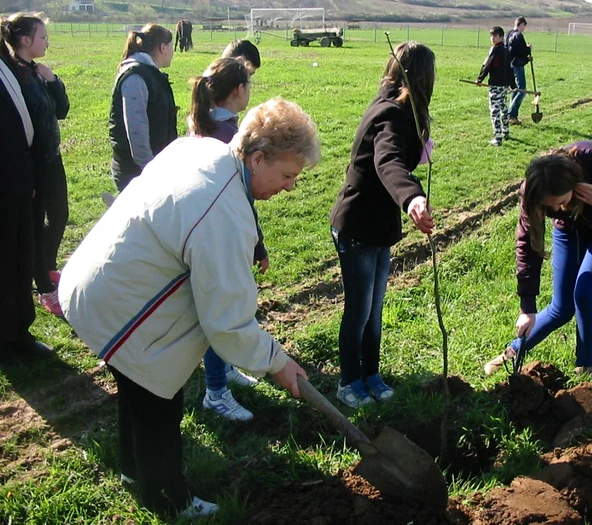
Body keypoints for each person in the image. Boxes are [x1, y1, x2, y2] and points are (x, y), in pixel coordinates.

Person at [58, 97, 320, 518]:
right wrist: (277, 362)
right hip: (122, 306)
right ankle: (168, 501)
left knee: (133, 388)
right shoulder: (225, 212)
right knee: (157, 402)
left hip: (97, 283)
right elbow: (228, 324)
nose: (290, 186)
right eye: (288, 174)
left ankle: (132, 471)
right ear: (256, 159)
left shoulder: (201, 148)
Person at [329, 41, 435, 409]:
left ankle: (371, 374)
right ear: (424, 78)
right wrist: (413, 198)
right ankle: (348, 382)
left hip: (376, 226)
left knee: (373, 310)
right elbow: (387, 161)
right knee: (359, 311)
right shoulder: (391, 114)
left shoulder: (399, 107)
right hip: (357, 226)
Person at [484, 141, 592, 378]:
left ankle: (585, 367)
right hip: (568, 231)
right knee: (561, 307)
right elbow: (527, 243)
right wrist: (527, 306)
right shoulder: (533, 191)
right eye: (551, 207)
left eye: (562, 201)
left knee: (585, 291)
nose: (560, 208)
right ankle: (512, 351)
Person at [188, 57, 264, 421]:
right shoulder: (228, 138)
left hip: (207, 234)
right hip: (217, 238)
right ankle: (215, 391)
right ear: (239, 90)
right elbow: (242, 197)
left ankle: (224, 369)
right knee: (220, 312)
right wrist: (257, 243)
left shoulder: (205, 124)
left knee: (216, 311)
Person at [2, 13, 70, 317]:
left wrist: (54, 81)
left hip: (52, 157)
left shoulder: (37, 72)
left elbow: (62, 111)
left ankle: (46, 267)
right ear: (25, 40)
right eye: (42, 37)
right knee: (35, 222)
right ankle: (43, 284)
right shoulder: (15, 75)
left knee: (60, 214)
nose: (47, 42)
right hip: (34, 163)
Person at [0, 20, 53, 361]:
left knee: (19, 253)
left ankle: (18, 330)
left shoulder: (7, 63)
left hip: (18, 178)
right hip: (6, 181)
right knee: (7, 259)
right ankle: (8, 338)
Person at [107, 23, 177, 195]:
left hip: (151, 168)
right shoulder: (136, 77)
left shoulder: (151, 74)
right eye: (171, 47)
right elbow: (136, 128)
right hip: (137, 172)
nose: (172, 52)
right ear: (163, 47)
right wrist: (149, 169)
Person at [476, 26, 511, 146]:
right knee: (503, 107)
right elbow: (510, 69)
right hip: (505, 85)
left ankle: (498, 138)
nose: (492, 38)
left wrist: (480, 79)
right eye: (491, 36)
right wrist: (512, 84)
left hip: (496, 85)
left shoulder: (495, 50)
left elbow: (488, 65)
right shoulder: (506, 50)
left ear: (501, 37)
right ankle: (506, 132)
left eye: (495, 36)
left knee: (495, 110)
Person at [506, 16, 531, 126]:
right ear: (521, 24)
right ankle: (511, 114)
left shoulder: (509, 34)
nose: (524, 28)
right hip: (517, 65)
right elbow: (521, 51)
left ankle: (513, 116)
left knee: (515, 89)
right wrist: (528, 49)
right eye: (524, 26)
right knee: (522, 90)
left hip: (510, 64)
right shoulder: (518, 35)